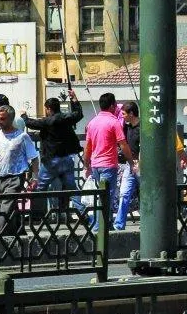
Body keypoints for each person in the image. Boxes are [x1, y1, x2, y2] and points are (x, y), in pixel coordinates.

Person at [22, 88, 84, 210]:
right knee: (72, 189)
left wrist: (23, 115)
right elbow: (79, 114)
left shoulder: (47, 121)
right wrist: (74, 99)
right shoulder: (67, 118)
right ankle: (82, 213)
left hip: (51, 161)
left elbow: (30, 123)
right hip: (66, 159)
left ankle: (37, 215)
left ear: (49, 109)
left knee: (40, 187)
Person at [83, 92, 132, 230]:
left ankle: (106, 224)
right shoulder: (114, 122)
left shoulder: (92, 123)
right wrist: (131, 162)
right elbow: (123, 144)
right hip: (109, 165)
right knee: (107, 197)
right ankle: (99, 228)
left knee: (101, 195)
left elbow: (88, 147)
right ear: (112, 106)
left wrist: (86, 165)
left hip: (96, 165)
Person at [0, 108, 39, 235]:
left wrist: (35, 177)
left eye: (3, 119)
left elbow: (33, 157)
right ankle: (19, 233)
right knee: (9, 206)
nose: (0, 121)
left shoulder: (22, 136)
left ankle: (3, 237)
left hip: (16, 176)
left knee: (6, 206)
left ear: (11, 119)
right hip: (0, 176)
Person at [113, 101, 140, 230]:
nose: (122, 116)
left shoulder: (142, 128)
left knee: (144, 195)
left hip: (141, 166)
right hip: (130, 166)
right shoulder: (126, 128)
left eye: (124, 114)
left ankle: (147, 223)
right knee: (124, 194)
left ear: (131, 113)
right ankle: (119, 224)